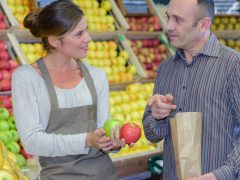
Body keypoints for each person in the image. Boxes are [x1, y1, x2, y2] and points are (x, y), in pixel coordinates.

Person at [12, 1, 124, 179]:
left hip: (103, 174)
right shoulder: (27, 78)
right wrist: (87, 140)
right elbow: (32, 142)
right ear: (54, 41)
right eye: (79, 33)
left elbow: (102, 131)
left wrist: (114, 142)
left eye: (86, 30)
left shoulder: (97, 76)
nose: (88, 38)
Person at [142, 0, 240, 179]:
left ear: (204, 24)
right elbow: (151, 135)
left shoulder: (233, 65)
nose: (169, 26)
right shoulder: (166, 69)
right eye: (168, 17)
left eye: (178, 20)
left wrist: (220, 174)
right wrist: (156, 117)